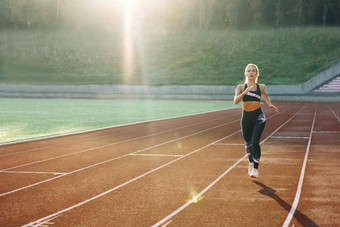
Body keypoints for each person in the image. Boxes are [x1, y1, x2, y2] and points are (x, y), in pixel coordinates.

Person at [234, 63, 279, 178]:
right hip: (246, 119)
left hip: (258, 117)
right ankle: (250, 162)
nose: (251, 73)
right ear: (245, 73)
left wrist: (269, 104)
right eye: (248, 71)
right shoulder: (240, 87)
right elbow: (235, 101)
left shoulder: (261, 87)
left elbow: (264, 94)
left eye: (253, 71)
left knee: (255, 142)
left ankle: (255, 168)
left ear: (256, 74)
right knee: (248, 143)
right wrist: (245, 92)